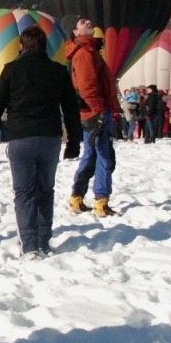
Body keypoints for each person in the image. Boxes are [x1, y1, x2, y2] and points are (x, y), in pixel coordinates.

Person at [0, 25, 82, 258]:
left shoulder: (12, 70)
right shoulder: (58, 71)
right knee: (45, 190)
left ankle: (30, 245)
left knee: (24, 193)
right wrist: (74, 140)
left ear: (21, 46)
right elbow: (71, 108)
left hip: (21, 138)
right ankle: (44, 241)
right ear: (45, 45)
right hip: (50, 138)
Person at [63, 15, 120, 217]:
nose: (89, 23)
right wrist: (99, 111)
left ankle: (77, 198)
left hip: (90, 112)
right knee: (105, 156)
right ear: (76, 32)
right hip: (95, 112)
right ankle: (101, 202)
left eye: (89, 21)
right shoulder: (85, 53)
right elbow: (88, 86)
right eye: (81, 23)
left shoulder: (89, 50)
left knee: (91, 154)